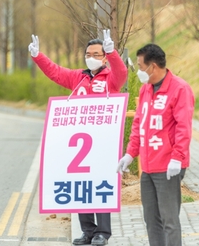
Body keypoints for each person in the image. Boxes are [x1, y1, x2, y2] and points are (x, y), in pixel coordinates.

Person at [29, 30, 127, 246]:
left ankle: (102, 232)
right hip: (80, 143)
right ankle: (87, 231)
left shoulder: (110, 78)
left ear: (103, 57)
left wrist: (113, 53)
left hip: (103, 142)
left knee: (101, 185)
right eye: (88, 53)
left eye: (96, 54)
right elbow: (56, 72)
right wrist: (38, 56)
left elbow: (121, 73)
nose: (91, 57)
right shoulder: (78, 77)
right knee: (82, 186)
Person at [117, 44, 194, 246]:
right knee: (151, 220)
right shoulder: (146, 90)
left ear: (152, 66)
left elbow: (183, 127)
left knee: (169, 220)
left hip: (169, 165)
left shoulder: (179, 89)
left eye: (141, 66)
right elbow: (139, 124)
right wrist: (130, 154)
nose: (139, 71)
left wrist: (177, 157)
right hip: (148, 166)